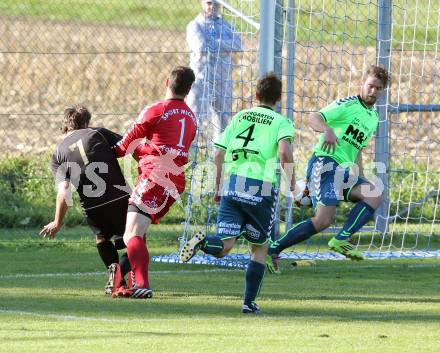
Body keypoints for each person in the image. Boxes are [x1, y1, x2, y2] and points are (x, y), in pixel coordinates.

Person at [179, 73, 295, 314]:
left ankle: (201, 242)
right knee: (260, 247)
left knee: (223, 246)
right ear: (279, 98)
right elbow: (284, 153)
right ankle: (248, 302)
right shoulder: (281, 122)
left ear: (257, 95)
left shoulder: (240, 117)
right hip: (261, 188)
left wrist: (219, 186)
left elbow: (218, 153)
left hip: (232, 185)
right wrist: (292, 182)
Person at [266, 65, 390, 273]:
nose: (373, 91)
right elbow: (314, 117)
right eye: (370, 86)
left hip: (343, 172)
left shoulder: (374, 117)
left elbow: (357, 149)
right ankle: (273, 249)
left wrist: (360, 176)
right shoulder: (347, 104)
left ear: (382, 90)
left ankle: (342, 238)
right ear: (363, 83)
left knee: (374, 193)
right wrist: (327, 130)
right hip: (325, 164)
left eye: (378, 88)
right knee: (324, 220)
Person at [111, 66, 197, 299]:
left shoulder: (156, 110)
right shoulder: (191, 118)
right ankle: (124, 282)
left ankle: (142, 284)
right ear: (189, 89)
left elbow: (123, 146)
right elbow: (167, 148)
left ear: (166, 81)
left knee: (130, 235)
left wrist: (107, 148)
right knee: (139, 233)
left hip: (154, 177)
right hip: (176, 181)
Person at [40, 105, 132, 294]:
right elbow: (130, 147)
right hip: (118, 197)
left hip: (92, 206)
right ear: (86, 123)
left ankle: (117, 279)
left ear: (65, 126)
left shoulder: (58, 153)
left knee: (102, 238)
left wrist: (57, 222)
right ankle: (118, 275)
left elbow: (64, 190)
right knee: (135, 239)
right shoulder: (98, 133)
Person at [186, 0, 242, 137]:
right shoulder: (194, 26)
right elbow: (201, 47)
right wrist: (224, 46)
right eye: (209, 3)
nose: (213, 7)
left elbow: (238, 45)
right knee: (194, 119)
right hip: (200, 81)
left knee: (223, 121)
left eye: (216, 3)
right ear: (201, 3)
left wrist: (213, 43)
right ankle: (190, 154)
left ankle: (218, 156)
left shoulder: (227, 26)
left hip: (223, 81)